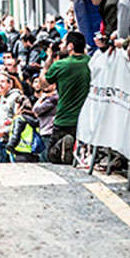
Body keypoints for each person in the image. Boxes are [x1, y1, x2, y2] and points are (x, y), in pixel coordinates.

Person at [41, 32, 90, 164]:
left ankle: (63, 141)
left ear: (70, 46)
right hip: (86, 119)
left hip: (64, 119)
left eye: (63, 43)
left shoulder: (60, 65)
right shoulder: (91, 62)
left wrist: (49, 58)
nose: (60, 45)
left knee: (51, 154)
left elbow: (43, 83)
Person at [5, 98, 43, 163]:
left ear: (19, 107)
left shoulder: (20, 119)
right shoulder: (34, 118)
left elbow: (16, 135)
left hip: (19, 152)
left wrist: (10, 146)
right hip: (32, 152)